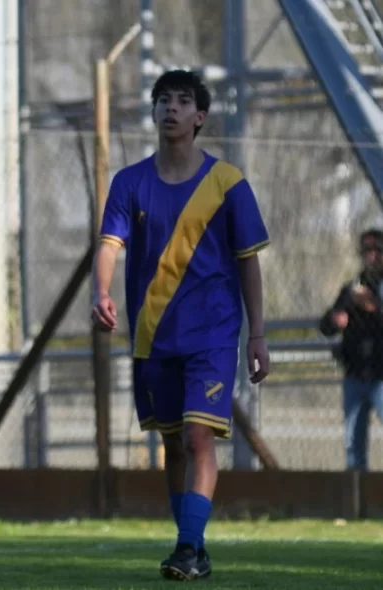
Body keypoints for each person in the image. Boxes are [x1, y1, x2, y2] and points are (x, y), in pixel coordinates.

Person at [91, 69, 270, 582]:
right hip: (152, 335)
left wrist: (257, 335)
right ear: (154, 112)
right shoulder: (129, 183)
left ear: (200, 117)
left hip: (213, 334)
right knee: (172, 444)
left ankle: (188, 547)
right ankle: (192, 545)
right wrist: (101, 292)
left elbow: (248, 261)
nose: (171, 107)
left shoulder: (228, 183)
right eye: (163, 99)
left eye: (183, 100)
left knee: (198, 437)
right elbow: (109, 245)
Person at [319, 228, 383, 471]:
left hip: (381, 377)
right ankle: (357, 493)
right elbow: (326, 326)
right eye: (367, 250)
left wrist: (373, 306)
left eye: (378, 250)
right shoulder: (353, 288)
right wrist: (334, 320)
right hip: (355, 376)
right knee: (353, 445)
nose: (372, 255)